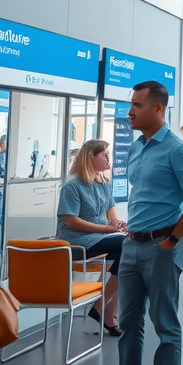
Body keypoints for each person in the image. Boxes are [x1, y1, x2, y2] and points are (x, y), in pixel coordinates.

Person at [83, 81, 183, 365]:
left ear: (157, 109)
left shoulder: (178, 149)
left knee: (165, 325)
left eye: (137, 105)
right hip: (132, 245)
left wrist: (173, 240)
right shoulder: (137, 147)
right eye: (131, 104)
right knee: (128, 323)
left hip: (162, 246)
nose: (130, 111)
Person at [57, 139, 126, 334]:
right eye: (105, 155)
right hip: (77, 243)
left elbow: (111, 213)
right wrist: (106, 229)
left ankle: (106, 314)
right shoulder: (72, 186)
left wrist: (116, 223)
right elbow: (72, 222)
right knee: (127, 247)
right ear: (90, 158)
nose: (109, 158)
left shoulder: (102, 184)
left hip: (98, 239)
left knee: (128, 257)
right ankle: (100, 308)